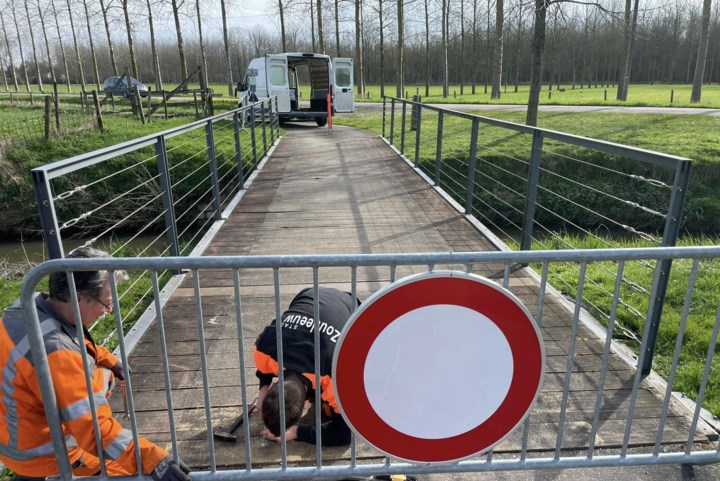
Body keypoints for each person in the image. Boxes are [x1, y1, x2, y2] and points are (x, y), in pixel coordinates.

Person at [0, 246, 191, 481]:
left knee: (102, 375)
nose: (108, 311)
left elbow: (70, 341)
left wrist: (109, 360)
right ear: (78, 297)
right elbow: (95, 431)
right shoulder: (57, 352)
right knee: (138, 474)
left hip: (12, 439)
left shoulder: (24, 309)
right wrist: (153, 459)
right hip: (49, 458)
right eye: (106, 303)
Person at [254, 286, 359, 446]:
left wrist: (295, 432)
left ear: (304, 404)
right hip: (308, 294)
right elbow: (264, 370)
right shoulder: (265, 347)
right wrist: (262, 393)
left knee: (329, 411)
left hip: (352, 308)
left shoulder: (334, 375)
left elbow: (345, 434)